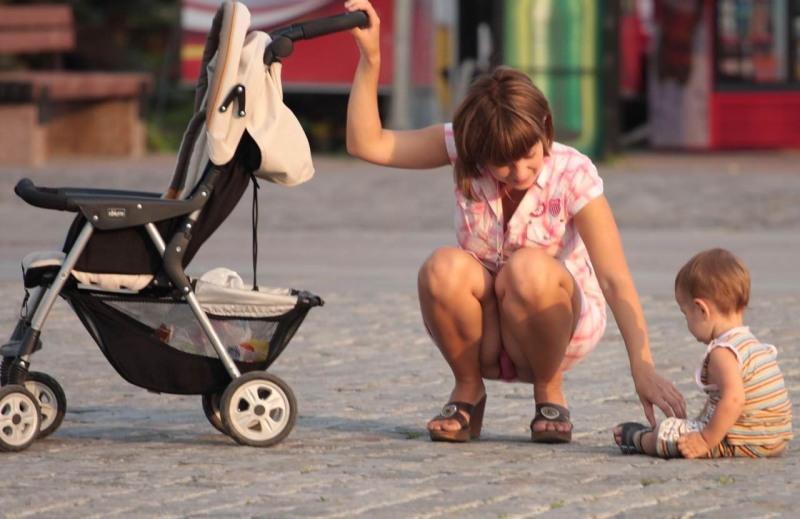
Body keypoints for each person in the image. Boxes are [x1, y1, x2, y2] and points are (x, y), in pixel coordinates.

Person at [344, 0, 685, 443]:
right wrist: (370, 58)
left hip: (555, 326)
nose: (520, 172)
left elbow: (615, 278)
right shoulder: (464, 146)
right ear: (476, 151)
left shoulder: (573, 172)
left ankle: (550, 390)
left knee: (528, 268)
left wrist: (642, 365)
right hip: (482, 330)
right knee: (441, 267)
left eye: (529, 155)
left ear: (545, 127)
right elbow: (366, 143)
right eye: (502, 165)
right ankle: (467, 388)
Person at [614, 248, 793, 458]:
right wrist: (699, 424)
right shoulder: (751, 345)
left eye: (685, 313)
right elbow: (720, 401)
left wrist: (704, 439)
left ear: (701, 310)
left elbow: (734, 401)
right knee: (696, 425)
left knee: (669, 438)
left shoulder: (722, 353)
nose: (687, 321)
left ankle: (642, 440)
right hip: (775, 439)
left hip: (743, 441)